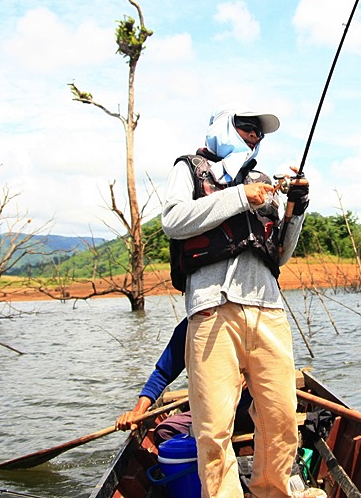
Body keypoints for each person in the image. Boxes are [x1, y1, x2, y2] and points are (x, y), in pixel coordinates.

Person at [162, 106, 309, 498]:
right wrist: (241, 196)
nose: (254, 137)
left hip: (268, 310)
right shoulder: (190, 168)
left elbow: (278, 253)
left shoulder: (264, 181)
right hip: (212, 310)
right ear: (223, 127)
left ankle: (273, 492)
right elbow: (173, 221)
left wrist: (296, 210)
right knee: (212, 428)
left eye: (259, 134)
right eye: (246, 128)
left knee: (281, 418)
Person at [115, 317, 253, 445]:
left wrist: (250, 373)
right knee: (165, 432)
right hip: (211, 411)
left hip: (251, 409)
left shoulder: (250, 319)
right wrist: (138, 411)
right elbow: (162, 374)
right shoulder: (190, 326)